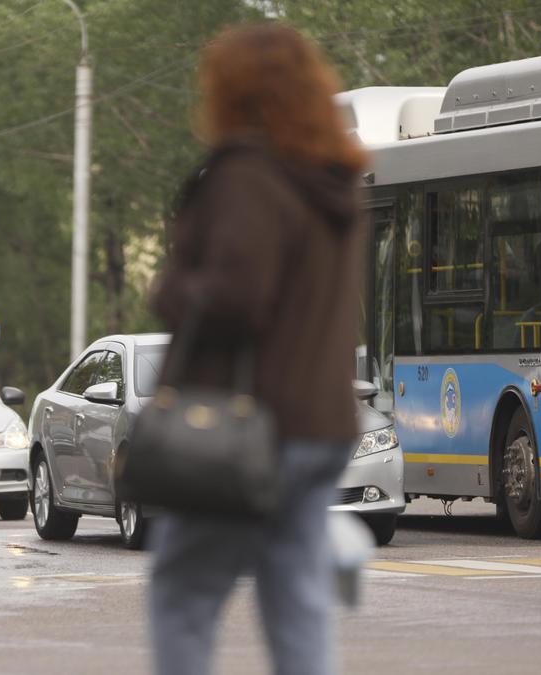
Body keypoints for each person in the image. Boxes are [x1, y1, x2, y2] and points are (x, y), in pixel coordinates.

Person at [146, 22, 369, 675]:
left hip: (248, 427)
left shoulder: (247, 176)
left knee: (183, 591)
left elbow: (236, 296)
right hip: (321, 424)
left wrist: (170, 290)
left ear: (232, 94)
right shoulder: (336, 184)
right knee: (296, 597)